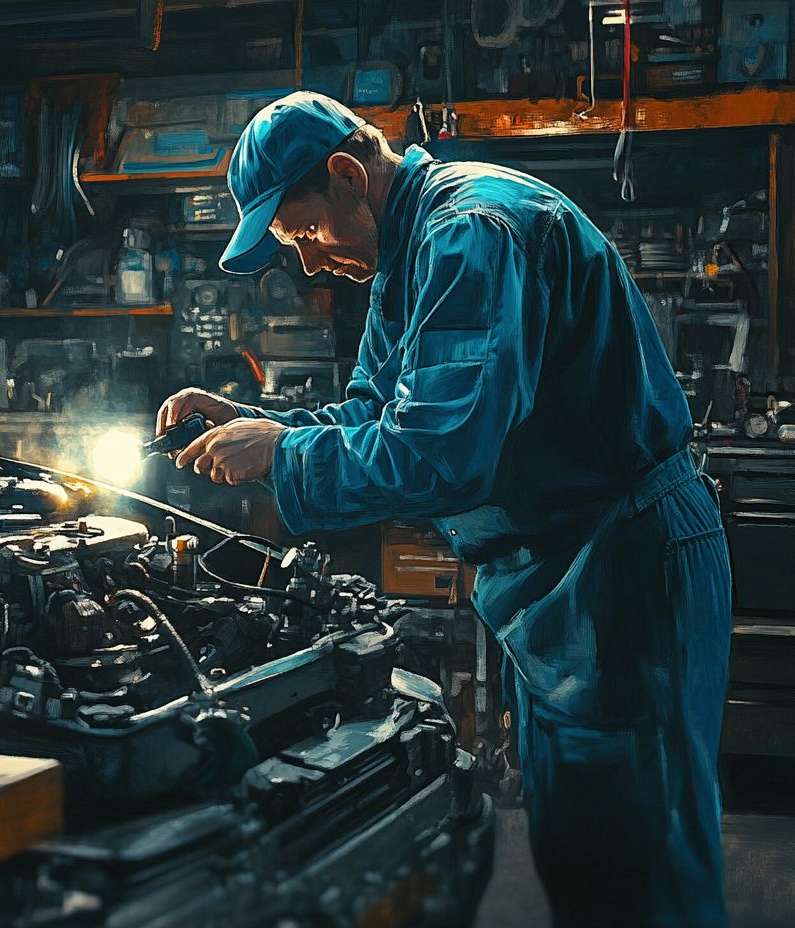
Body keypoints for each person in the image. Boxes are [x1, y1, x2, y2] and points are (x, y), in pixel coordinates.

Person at [156, 91, 731, 927]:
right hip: (560, 577)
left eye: (305, 234)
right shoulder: (408, 257)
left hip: (623, 567)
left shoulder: (470, 234)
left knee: (643, 872)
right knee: (584, 857)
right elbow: (378, 418)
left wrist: (282, 457)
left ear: (348, 176)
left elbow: (441, 455)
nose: (309, 264)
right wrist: (266, 429)